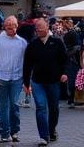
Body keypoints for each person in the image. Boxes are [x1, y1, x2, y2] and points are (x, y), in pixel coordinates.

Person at [22, 18, 67, 147]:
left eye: (41, 28)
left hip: (53, 81)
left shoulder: (57, 42)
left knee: (54, 108)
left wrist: (64, 73)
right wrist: (26, 83)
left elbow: (64, 60)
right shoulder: (33, 44)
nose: (38, 30)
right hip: (38, 82)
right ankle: (43, 136)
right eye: (37, 29)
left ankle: (51, 130)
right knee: (41, 107)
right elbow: (27, 65)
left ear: (47, 27)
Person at [0, 16, 28, 144]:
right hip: (1, 78)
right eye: (9, 26)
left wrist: (26, 80)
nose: (11, 29)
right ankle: (4, 133)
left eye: (14, 26)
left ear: (17, 26)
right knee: (3, 107)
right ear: (5, 27)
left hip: (17, 78)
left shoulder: (22, 42)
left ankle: (14, 131)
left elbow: (26, 62)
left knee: (14, 105)